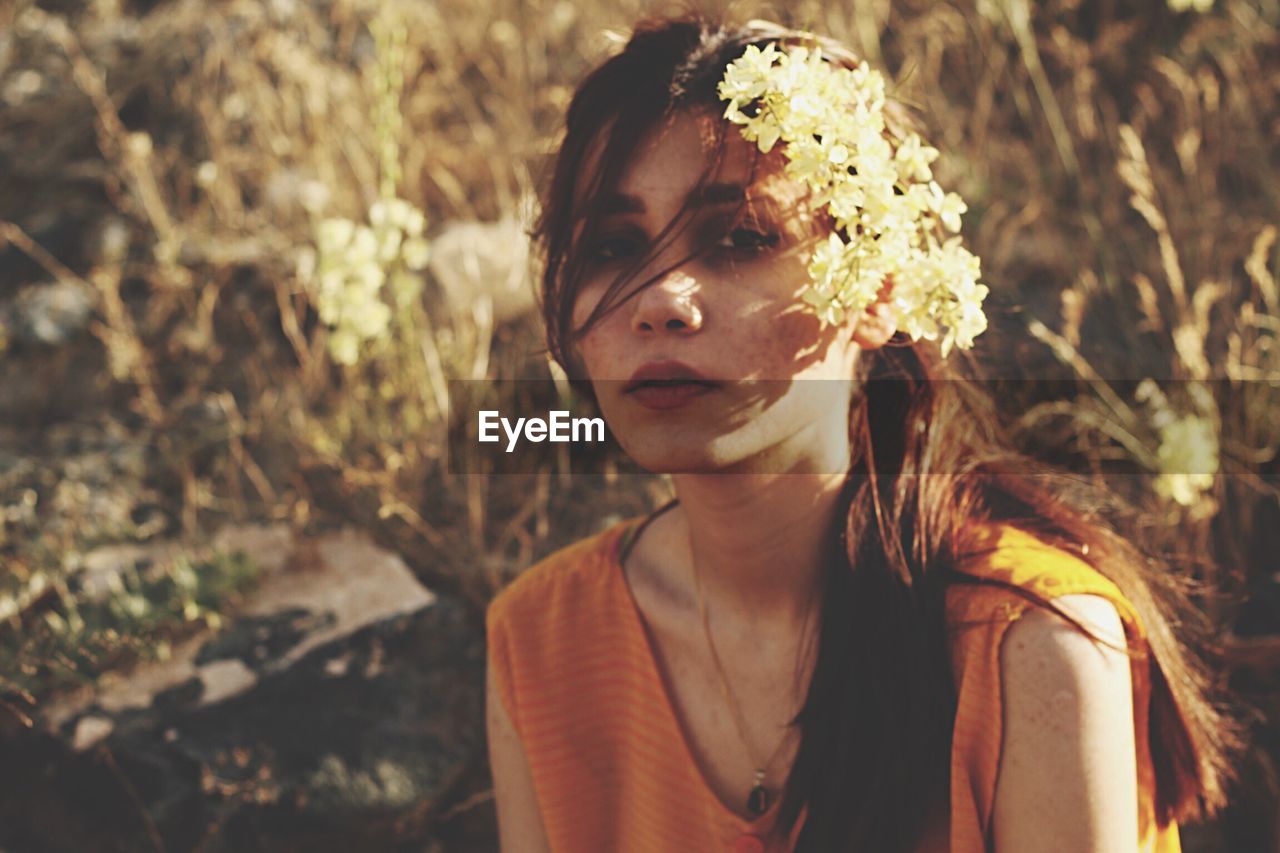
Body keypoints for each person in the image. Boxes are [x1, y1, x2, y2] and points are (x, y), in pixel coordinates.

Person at [484, 15, 1241, 853]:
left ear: (877, 288)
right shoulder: (541, 638)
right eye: (615, 245)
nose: (662, 300)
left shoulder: (1032, 647)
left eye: (741, 237)